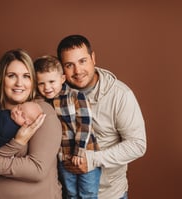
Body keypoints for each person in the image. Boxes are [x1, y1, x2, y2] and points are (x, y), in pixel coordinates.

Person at [0, 49, 63, 199]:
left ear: (33, 81)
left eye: (26, 76)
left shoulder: (41, 112)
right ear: (1, 79)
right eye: (11, 76)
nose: (19, 83)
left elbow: (37, 170)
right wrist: (17, 143)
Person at [56, 34, 147, 199]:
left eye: (82, 61)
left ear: (93, 58)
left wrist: (92, 159)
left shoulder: (120, 95)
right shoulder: (54, 94)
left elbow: (137, 144)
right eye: (69, 65)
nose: (77, 71)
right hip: (67, 193)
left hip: (110, 194)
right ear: (62, 69)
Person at [34, 55, 101, 199]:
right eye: (41, 83)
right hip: (63, 157)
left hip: (83, 154)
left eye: (52, 81)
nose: (47, 87)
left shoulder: (75, 96)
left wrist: (78, 151)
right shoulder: (41, 102)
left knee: (88, 194)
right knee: (70, 194)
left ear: (62, 79)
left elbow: (85, 124)